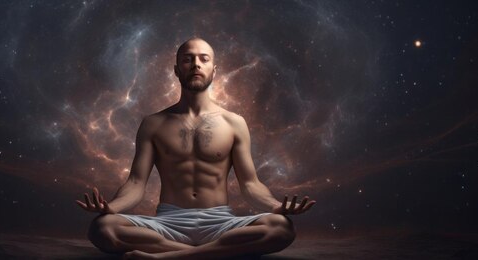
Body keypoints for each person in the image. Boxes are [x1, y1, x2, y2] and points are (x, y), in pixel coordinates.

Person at [75, 37, 316, 259]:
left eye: (204, 58)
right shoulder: (153, 124)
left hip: (220, 222)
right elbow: (136, 183)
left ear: (214, 70)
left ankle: (167, 257)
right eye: (187, 59)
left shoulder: (234, 123)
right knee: (102, 228)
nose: (196, 64)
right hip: (168, 223)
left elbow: (250, 184)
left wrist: (276, 206)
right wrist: (111, 207)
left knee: (281, 228)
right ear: (176, 70)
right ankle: (209, 254)